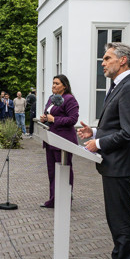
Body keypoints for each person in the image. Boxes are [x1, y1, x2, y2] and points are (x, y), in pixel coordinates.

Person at [78, 42, 130, 259]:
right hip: (112, 164)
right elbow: (117, 125)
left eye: (107, 58)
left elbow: (129, 132)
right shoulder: (119, 86)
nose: (103, 62)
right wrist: (95, 132)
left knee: (121, 220)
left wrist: (98, 143)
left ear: (123, 60)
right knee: (114, 218)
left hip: (119, 164)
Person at [39, 75, 79, 209]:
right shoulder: (52, 98)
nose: (54, 85)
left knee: (64, 171)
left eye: (57, 83)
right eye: (53, 83)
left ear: (65, 86)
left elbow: (72, 119)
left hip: (63, 141)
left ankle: (65, 201)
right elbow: (49, 116)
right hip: (50, 140)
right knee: (52, 172)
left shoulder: (69, 99)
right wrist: (45, 118)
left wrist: (54, 119)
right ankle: (53, 200)